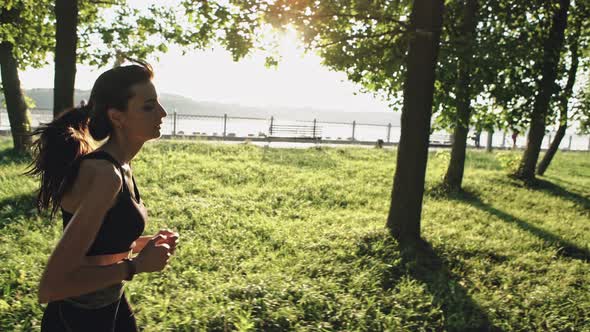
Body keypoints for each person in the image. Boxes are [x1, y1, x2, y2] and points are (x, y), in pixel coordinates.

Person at [27, 61, 179, 331]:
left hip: (112, 304)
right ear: (117, 117)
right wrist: (135, 267)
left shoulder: (122, 166)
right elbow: (51, 287)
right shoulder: (105, 175)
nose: (163, 113)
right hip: (76, 319)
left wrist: (145, 244)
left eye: (158, 103)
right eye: (148, 106)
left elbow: (99, 247)